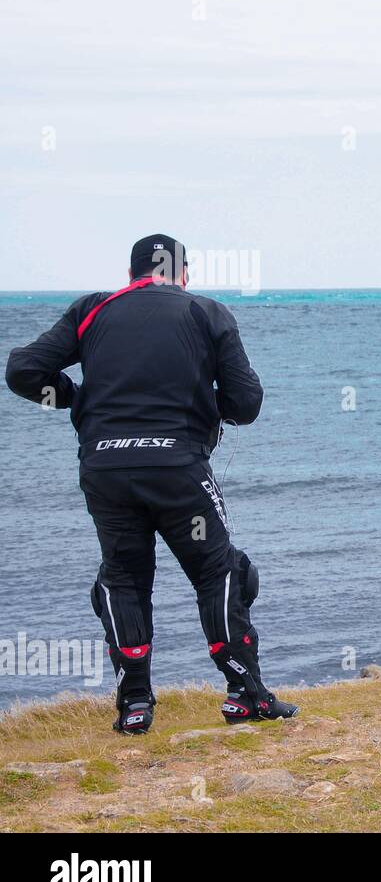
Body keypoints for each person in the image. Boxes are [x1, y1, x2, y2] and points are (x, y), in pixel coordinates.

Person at [4, 234, 297, 734]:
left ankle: (135, 704)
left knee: (124, 577)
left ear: (132, 272)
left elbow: (24, 370)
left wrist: (77, 401)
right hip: (177, 472)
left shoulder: (93, 309)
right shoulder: (205, 312)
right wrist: (206, 406)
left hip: (106, 472)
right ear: (184, 273)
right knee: (221, 572)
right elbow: (246, 404)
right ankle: (245, 694)